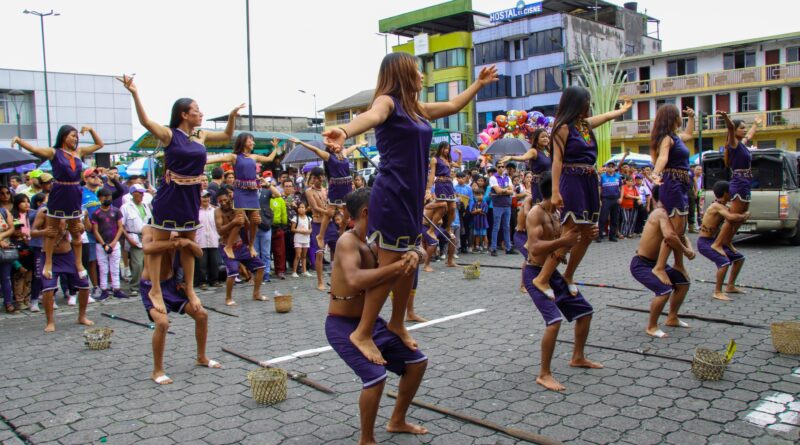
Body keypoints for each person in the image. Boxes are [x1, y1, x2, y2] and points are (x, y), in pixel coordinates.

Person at [322, 52, 497, 364]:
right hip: (391, 197)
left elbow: (454, 106)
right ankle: (362, 332)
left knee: (409, 263)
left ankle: (397, 323)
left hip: (411, 198)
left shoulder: (416, 110)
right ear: (403, 73)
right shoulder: (387, 102)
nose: (422, 76)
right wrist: (346, 131)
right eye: (417, 70)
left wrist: (478, 84)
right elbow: (371, 117)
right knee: (389, 269)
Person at [117, 74, 244, 311]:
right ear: (184, 114)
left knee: (188, 242)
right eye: (196, 110)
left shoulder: (201, 135)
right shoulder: (169, 134)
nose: (201, 113)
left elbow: (227, 136)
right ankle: (155, 288)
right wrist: (134, 92)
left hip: (191, 195)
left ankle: (189, 288)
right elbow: (146, 122)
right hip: (170, 193)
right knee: (160, 241)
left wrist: (232, 116)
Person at [326, 188, 428, 444]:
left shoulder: (374, 243)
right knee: (375, 378)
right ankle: (367, 439)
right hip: (342, 325)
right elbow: (356, 279)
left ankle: (397, 421)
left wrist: (416, 254)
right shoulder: (347, 242)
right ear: (366, 212)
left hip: (369, 323)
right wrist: (397, 265)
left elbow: (418, 253)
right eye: (383, 207)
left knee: (417, 363)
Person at [532, 87, 633, 298]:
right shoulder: (562, 128)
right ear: (577, 103)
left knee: (588, 233)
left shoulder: (584, 125)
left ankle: (568, 275)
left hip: (588, 180)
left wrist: (621, 110)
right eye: (586, 102)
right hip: (572, 180)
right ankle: (542, 278)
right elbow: (557, 161)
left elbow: (605, 117)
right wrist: (556, 191)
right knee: (571, 233)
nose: (589, 106)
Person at [523, 173, 602, 391]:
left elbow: (571, 243)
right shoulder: (535, 213)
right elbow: (534, 247)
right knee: (554, 320)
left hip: (553, 274)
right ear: (555, 191)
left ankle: (578, 357)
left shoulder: (558, 213)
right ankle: (544, 374)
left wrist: (588, 235)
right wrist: (563, 240)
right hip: (533, 273)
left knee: (585, 312)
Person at [12, 125, 104, 282]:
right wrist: (20, 140)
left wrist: (91, 130)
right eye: (72, 136)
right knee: (51, 231)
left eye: (76, 136)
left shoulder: (79, 152)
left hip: (74, 192)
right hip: (60, 192)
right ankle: (48, 262)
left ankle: (78, 264)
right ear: (64, 136)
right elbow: (35, 149)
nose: (75, 139)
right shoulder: (54, 152)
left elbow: (99, 145)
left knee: (76, 231)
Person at [139, 225, 221, 384]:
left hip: (171, 283)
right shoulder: (149, 228)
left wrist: (186, 242)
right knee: (162, 323)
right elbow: (147, 248)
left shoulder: (179, 231)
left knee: (202, 315)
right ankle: (157, 371)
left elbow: (199, 253)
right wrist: (172, 244)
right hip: (151, 286)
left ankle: (202, 357)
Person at [629, 185, 694, 338]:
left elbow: (681, 234)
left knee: (683, 282)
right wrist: (686, 251)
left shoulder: (672, 213)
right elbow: (670, 236)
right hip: (641, 264)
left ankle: (672, 318)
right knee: (664, 289)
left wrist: (689, 248)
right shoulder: (660, 213)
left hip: (658, 264)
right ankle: (651, 326)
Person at [206, 133, 282, 260]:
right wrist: (200, 159)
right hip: (240, 191)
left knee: (256, 219)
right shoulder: (234, 156)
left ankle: (251, 245)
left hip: (252, 191)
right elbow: (217, 159)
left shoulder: (254, 157)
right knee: (240, 219)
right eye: (250, 140)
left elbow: (269, 159)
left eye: (253, 140)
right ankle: (228, 246)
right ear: (243, 142)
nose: (253, 142)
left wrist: (275, 148)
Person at [290, 137, 363, 249]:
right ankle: (320, 236)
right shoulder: (328, 156)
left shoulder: (344, 153)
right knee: (329, 213)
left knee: (346, 216)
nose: (335, 146)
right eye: (331, 145)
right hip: (336, 187)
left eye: (336, 144)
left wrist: (359, 144)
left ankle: (341, 235)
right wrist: (301, 142)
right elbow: (315, 150)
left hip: (347, 186)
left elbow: (352, 147)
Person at [650, 105, 695, 285]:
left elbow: (690, 135)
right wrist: (655, 173)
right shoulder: (667, 139)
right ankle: (659, 266)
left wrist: (692, 118)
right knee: (675, 230)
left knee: (680, 229)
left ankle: (678, 264)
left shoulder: (677, 137)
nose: (680, 118)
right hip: (673, 184)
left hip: (681, 185)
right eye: (679, 116)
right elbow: (663, 158)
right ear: (672, 118)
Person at [712, 112, 760, 256]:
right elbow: (731, 129)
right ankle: (718, 243)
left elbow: (749, 135)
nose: (745, 130)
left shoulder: (742, 144)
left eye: (745, 127)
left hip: (745, 182)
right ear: (735, 129)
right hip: (739, 182)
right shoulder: (733, 143)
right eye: (742, 128)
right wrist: (727, 119)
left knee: (741, 216)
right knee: (733, 215)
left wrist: (756, 124)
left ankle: (727, 241)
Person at [696, 181, 749, 301]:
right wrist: (744, 216)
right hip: (704, 242)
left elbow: (734, 215)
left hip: (714, 240)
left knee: (739, 258)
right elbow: (731, 217)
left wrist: (743, 213)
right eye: (731, 192)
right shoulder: (716, 206)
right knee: (724, 262)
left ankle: (730, 286)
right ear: (726, 193)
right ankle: (717, 291)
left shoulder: (724, 205)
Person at [214, 188, 267, 306]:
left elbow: (247, 226)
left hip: (240, 245)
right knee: (233, 272)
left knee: (261, 266)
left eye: (224, 200)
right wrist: (233, 222)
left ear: (229, 197)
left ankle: (256, 293)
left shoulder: (237, 207)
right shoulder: (217, 212)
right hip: (226, 246)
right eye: (220, 201)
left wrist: (256, 221)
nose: (223, 203)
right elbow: (220, 231)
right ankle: (228, 298)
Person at [40, 227, 94, 332]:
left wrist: (81, 228)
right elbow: (32, 232)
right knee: (48, 288)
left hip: (68, 255)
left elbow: (78, 235)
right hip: (48, 256)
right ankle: (50, 322)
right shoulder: (44, 212)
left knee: (84, 284)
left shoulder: (70, 214)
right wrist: (44, 231)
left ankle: (82, 317)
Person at [90, 188, 128, 300]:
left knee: (115, 267)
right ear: (100, 198)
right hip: (100, 244)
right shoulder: (96, 213)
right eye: (105, 196)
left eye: (109, 196)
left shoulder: (116, 211)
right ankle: (104, 289)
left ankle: (116, 288)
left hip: (114, 243)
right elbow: (95, 230)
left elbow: (120, 227)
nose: (108, 199)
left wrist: (114, 242)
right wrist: (103, 244)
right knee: (103, 268)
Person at [425, 142, 462, 241]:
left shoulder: (448, 160)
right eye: (445, 148)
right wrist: (428, 189)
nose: (446, 150)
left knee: (453, 207)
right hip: (440, 184)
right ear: (440, 148)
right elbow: (432, 174)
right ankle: (431, 230)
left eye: (448, 149)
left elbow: (458, 165)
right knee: (442, 206)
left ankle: (448, 228)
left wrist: (460, 155)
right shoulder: (434, 159)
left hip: (449, 184)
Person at [121, 184, 151, 296]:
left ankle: (146, 284)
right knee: (137, 263)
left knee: (147, 263)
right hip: (133, 236)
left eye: (143, 193)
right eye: (140, 193)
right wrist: (128, 239)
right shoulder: (125, 207)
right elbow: (121, 226)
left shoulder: (144, 205)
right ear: (133, 194)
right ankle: (134, 286)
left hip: (146, 236)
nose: (142, 195)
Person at [194, 190, 221, 290]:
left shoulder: (215, 210)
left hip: (213, 239)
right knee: (201, 264)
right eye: (203, 197)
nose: (205, 199)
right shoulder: (196, 211)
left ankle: (214, 280)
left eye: (207, 197)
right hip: (200, 240)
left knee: (214, 262)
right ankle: (202, 282)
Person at [256, 177, 280, 282]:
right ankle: (257, 274)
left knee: (266, 253)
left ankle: (266, 274)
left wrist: (267, 184)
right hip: (253, 226)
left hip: (265, 224)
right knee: (255, 252)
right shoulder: (247, 192)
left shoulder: (266, 191)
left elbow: (278, 195)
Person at [487, 164, 514, 256]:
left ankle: (508, 248)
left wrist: (503, 190)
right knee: (496, 227)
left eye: (503, 166)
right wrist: (506, 190)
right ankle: (493, 249)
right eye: (499, 167)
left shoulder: (507, 177)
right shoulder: (493, 178)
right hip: (498, 205)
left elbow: (512, 191)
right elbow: (498, 191)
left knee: (507, 227)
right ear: (496, 168)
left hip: (507, 205)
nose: (501, 168)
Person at [598, 161, 623, 242]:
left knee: (614, 219)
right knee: (603, 218)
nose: (611, 168)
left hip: (616, 199)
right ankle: (599, 236)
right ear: (606, 168)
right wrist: (599, 199)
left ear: (614, 168)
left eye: (612, 167)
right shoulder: (602, 176)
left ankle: (612, 236)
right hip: (606, 199)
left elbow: (621, 188)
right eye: (609, 166)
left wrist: (621, 198)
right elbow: (599, 188)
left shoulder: (618, 176)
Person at [270, 183, 289, 280]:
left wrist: (284, 224)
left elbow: (284, 214)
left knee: (280, 251)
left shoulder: (280, 199)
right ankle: (266, 271)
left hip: (278, 227)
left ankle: (280, 270)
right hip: (266, 227)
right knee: (266, 252)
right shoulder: (264, 198)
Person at [290, 201, 313, 278]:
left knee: (304, 256)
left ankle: (304, 270)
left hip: (306, 239)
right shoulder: (295, 218)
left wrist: (308, 232)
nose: (301, 209)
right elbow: (292, 229)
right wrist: (301, 231)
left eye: (303, 207)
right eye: (299, 207)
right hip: (298, 239)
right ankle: (294, 271)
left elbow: (310, 229)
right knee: (298, 255)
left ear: (306, 209)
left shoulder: (308, 218)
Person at [452, 171, 473, 253]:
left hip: (466, 209)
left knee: (466, 228)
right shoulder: (454, 187)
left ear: (465, 178)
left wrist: (470, 210)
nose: (461, 179)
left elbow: (471, 200)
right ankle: (457, 247)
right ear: (456, 179)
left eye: (462, 178)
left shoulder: (468, 188)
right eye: (459, 178)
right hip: (457, 209)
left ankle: (464, 246)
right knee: (458, 227)